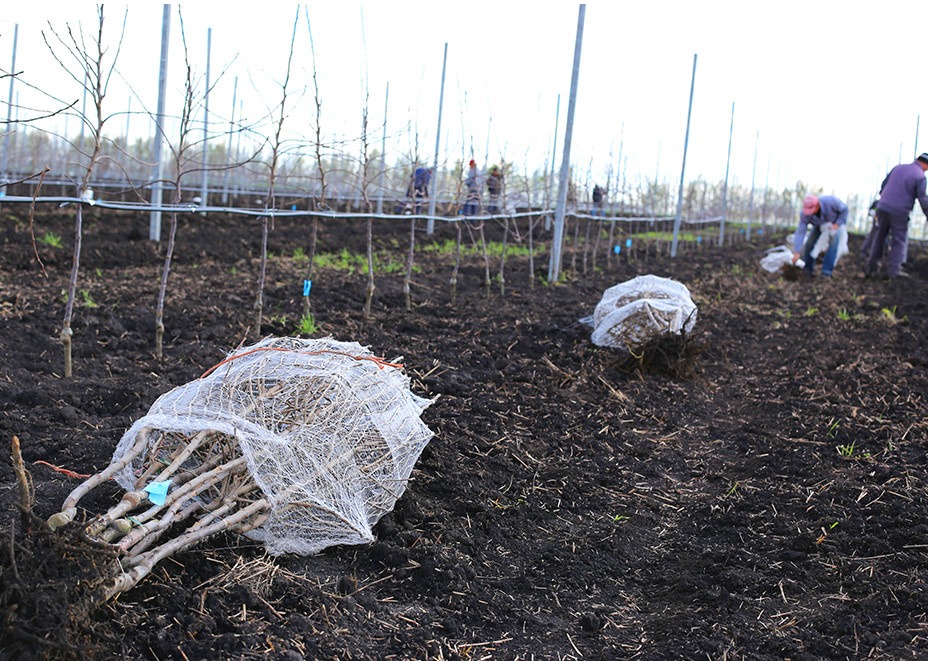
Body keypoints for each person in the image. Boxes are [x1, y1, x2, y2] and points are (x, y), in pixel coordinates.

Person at [865, 153, 928, 279]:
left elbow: (883, 186)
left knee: (880, 237)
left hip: (882, 207)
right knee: (898, 240)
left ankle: (872, 267)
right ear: (926, 165)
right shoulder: (920, 176)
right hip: (899, 211)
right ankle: (894, 272)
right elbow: (922, 198)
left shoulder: (898, 168)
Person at [791, 193, 848, 277]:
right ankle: (808, 269)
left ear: (817, 205)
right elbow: (800, 232)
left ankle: (827, 271)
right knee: (809, 243)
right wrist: (797, 251)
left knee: (833, 243)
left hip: (834, 222)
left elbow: (845, 210)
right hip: (819, 224)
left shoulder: (830, 201)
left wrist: (837, 224)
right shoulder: (804, 215)